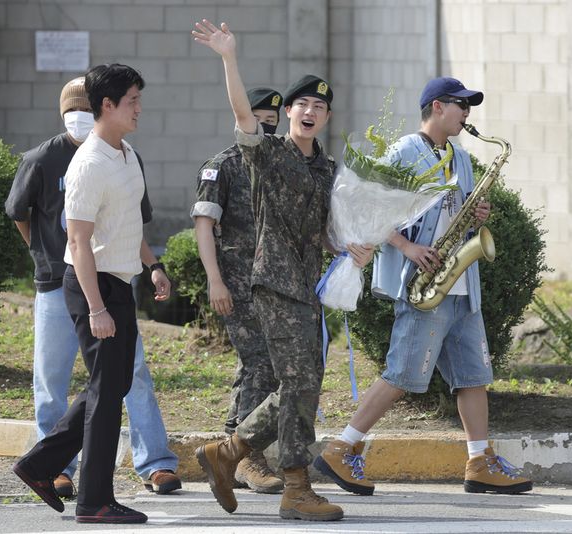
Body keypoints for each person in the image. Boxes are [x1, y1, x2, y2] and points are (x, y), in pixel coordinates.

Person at [314, 77, 533, 497]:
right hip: (424, 283)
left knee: (473, 376)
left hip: (461, 283)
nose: (467, 114)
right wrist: (406, 246)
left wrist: (477, 215)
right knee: (401, 374)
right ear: (436, 106)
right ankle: (342, 446)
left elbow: (460, 211)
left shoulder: (462, 158)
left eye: (468, 107)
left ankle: (480, 460)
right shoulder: (402, 152)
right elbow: (372, 210)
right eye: (461, 106)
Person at [191, 19, 373, 522]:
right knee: (299, 383)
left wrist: (350, 248)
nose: (310, 112)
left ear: (327, 116)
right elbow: (241, 116)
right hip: (273, 281)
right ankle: (296, 487)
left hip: (309, 286)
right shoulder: (268, 155)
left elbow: (324, 231)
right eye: (302, 105)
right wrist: (229, 57)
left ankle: (227, 453)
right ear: (288, 113)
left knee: (302, 384)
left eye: (320, 106)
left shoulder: (327, 168)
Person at [5, 77, 180, 499]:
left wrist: (152, 265)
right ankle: (60, 472)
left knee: (120, 379)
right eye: (132, 101)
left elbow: (129, 223)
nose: (139, 108)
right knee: (63, 379)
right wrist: (93, 303)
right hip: (78, 284)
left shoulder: (126, 156)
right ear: (107, 106)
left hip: (115, 282)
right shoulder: (58, 160)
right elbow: (61, 233)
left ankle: (145, 464)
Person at [191, 87, 285, 494]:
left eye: (271, 121)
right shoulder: (222, 167)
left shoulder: (279, 164)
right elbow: (204, 226)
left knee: (256, 365)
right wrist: (215, 279)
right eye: (258, 119)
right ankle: (248, 456)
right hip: (235, 283)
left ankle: (229, 443)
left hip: (274, 284)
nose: (266, 126)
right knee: (262, 363)